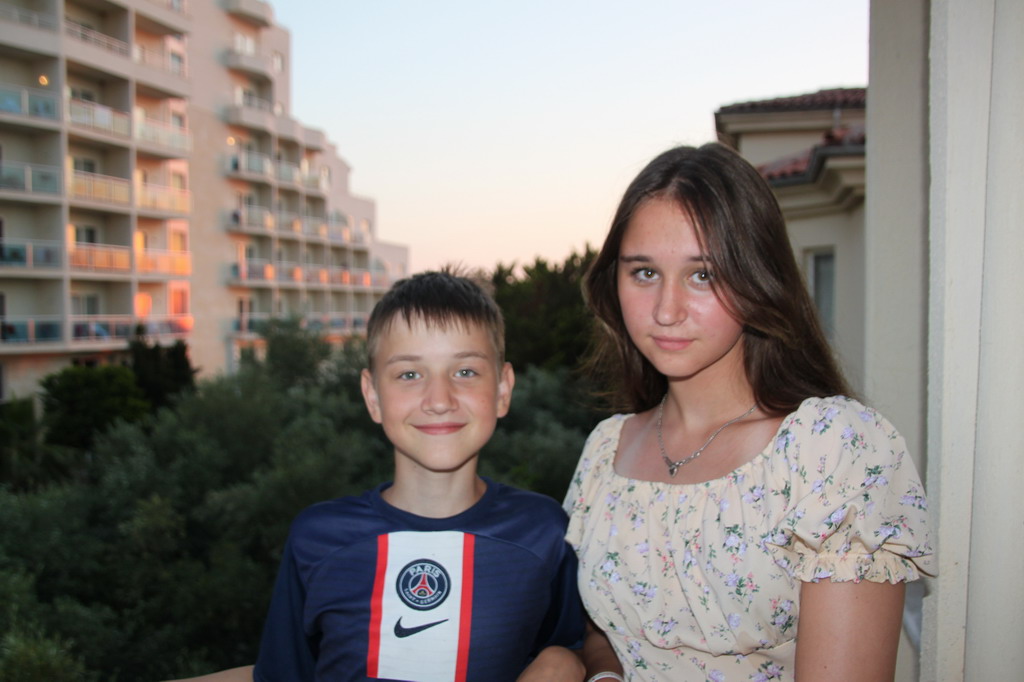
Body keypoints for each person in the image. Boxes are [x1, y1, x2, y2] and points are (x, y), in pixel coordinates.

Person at [565, 143, 934, 682]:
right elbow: (601, 629)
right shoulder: (606, 449)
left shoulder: (831, 450)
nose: (666, 310)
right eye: (644, 273)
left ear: (757, 277)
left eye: (703, 275)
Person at [172, 271, 585, 682]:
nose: (439, 400)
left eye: (465, 372)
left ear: (503, 390)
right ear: (372, 396)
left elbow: (579, 648)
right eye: (409, 374)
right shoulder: (317, 539)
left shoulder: (544, 533)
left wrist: (565, 662)